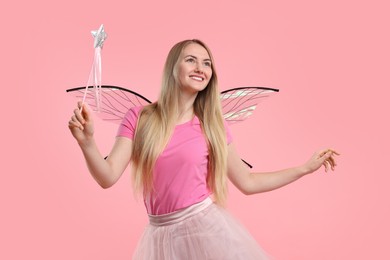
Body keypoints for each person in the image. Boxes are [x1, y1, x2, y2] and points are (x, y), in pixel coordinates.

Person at [68, 39, 339, 259]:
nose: (201, 68)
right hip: (159, 237)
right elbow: (107, 176)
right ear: (172, 68)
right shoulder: (140, 118)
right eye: (191, 60)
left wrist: (304, 168)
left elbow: (248, 182)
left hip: (205, 231)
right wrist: (87, 142)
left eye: (207, 63)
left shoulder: (212, 124)